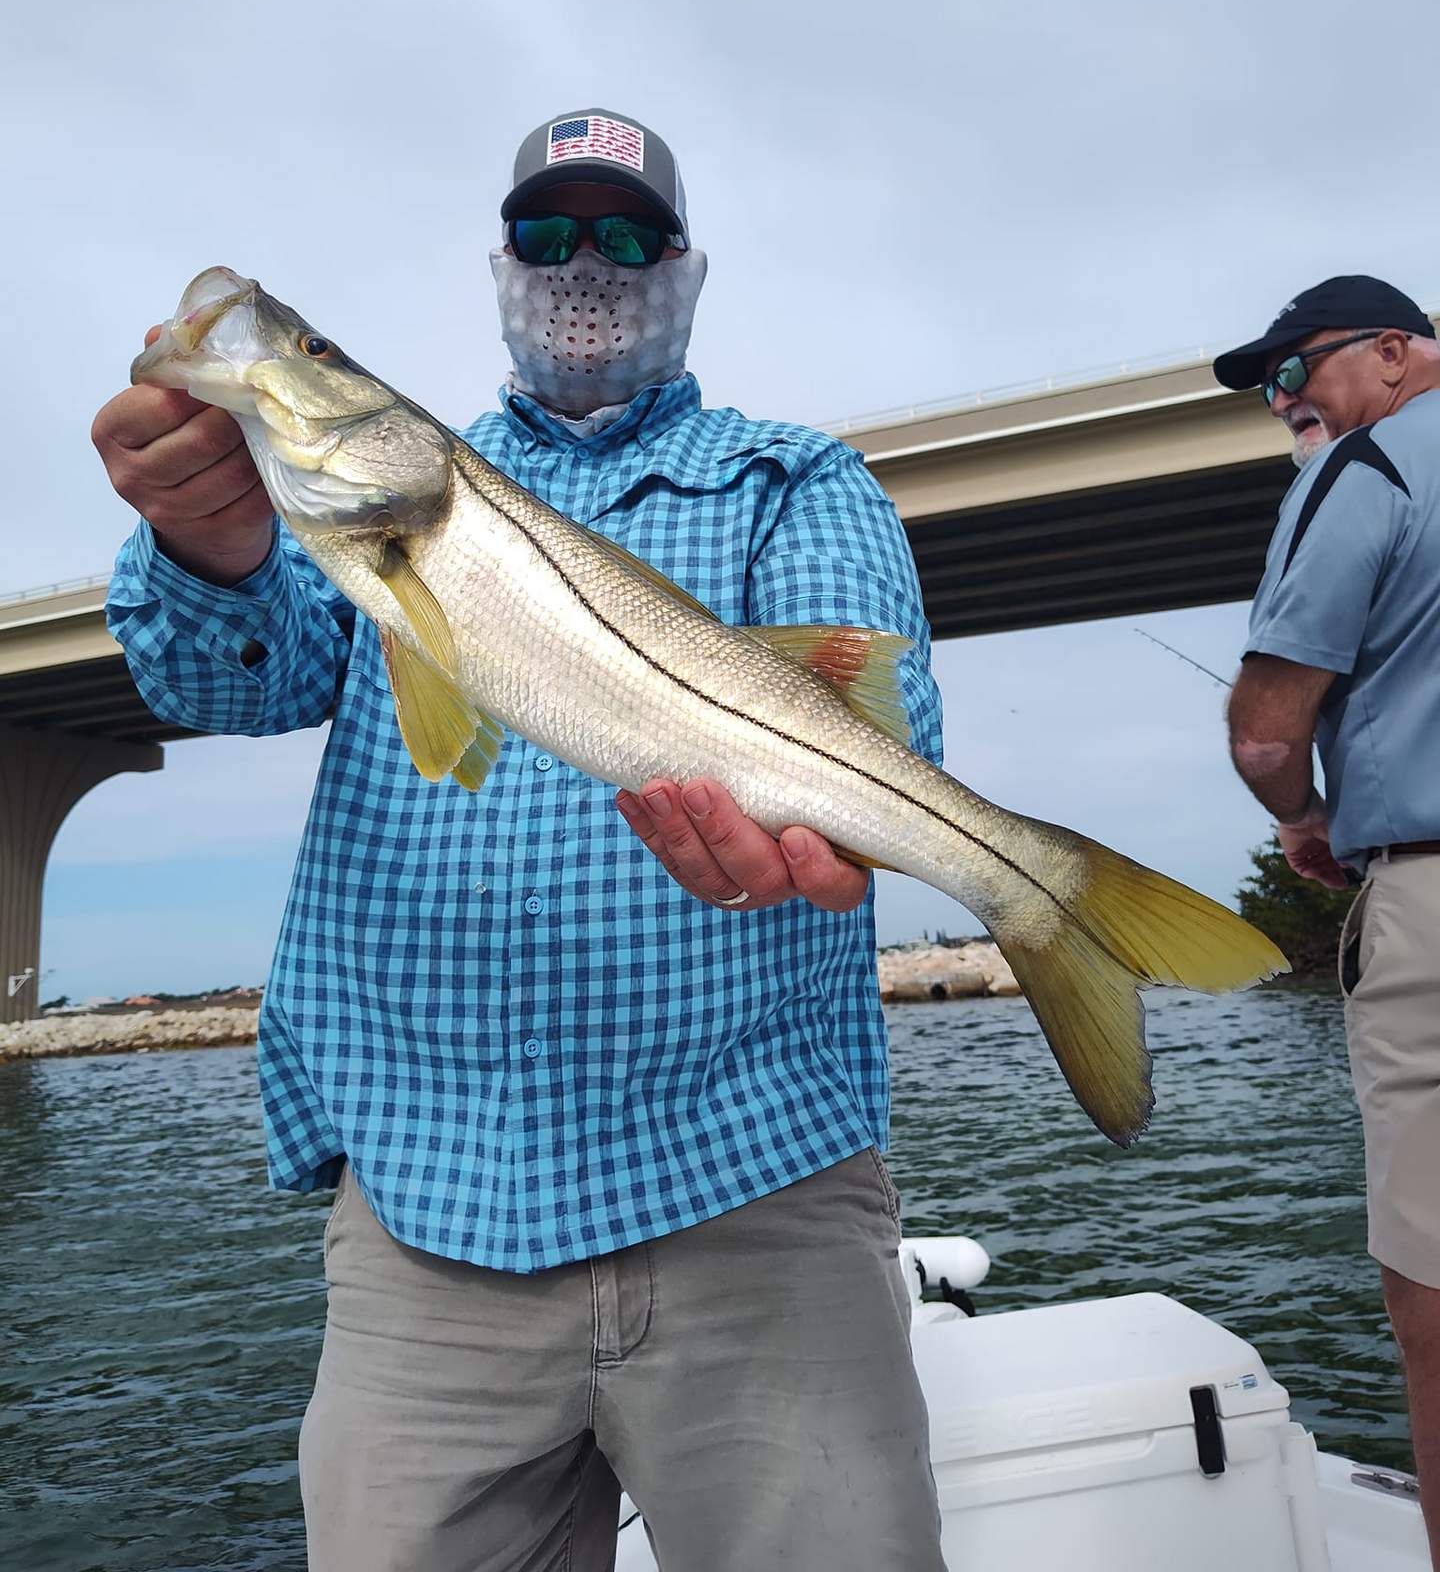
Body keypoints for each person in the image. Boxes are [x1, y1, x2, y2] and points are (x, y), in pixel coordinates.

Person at [91, 109, 948, 1572]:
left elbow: (882, 734)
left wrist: (859, 818)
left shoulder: (798, 480)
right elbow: (224, 674)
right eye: (548, 234)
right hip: (428, 1201)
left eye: (627, 234)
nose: (585, 262)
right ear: (502, 265)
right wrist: (209, 542)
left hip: (753, 1182)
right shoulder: (383, 501)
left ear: (685, 269)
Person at [1216, 272, 1440, 1560]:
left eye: (1296, 369)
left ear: (1400, 353)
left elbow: (1262, 733)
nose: (1283, 400)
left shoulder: (1367, 469)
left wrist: (1303, 819)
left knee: (1437, 1297)